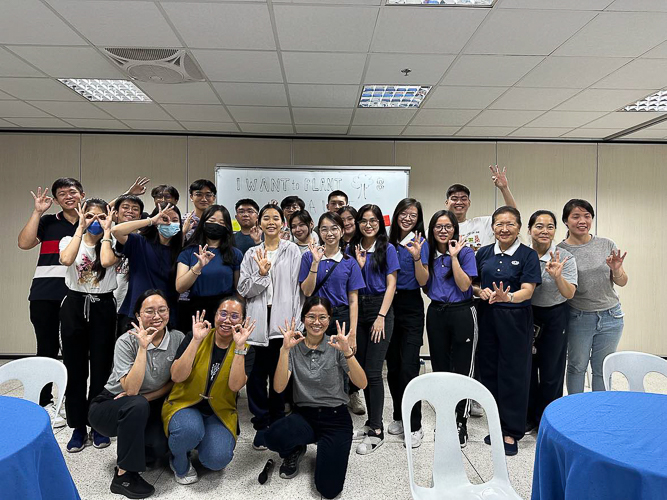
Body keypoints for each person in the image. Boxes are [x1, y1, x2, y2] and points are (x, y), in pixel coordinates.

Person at [265, 297, 367, 499]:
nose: (316, 322)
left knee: (329, 490)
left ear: (329, 320)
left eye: (322, 317)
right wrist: (284, 350)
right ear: (303, 318)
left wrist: (347, 352)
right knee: (270, 437)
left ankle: (327, 450)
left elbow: (362, 383)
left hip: (335, 418)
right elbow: (278, 387)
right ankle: (297, 448)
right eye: (311, 316)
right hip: (305, 416)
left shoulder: (336, 345)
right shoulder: (294, 346)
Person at [89, 290, 185, 499]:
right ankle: (123, 475)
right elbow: (131, 391)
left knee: (157, 449)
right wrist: (143, 348)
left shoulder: (178, 339)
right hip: (111, 404)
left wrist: (147, 398)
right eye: (149, 311)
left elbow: (175, 381)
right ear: (138, 316)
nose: (157, 316)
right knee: (136, 404)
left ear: (169, 312)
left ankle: (140, 450)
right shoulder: (126, 342)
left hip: (147, 404)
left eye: (162, 310)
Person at [163, 298, 256, 485]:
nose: (227, 320)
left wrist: (239, 348)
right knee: (189, 430)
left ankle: (199, 440)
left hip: (219, 411)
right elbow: (177, 376)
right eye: (223, 314)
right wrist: (196, 341)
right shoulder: (195, 336)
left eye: (234, 316)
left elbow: (235, 386)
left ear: (243, 321)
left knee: (217, 459)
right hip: (184, 403)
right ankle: (179, 459)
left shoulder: (247, 349)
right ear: (215, 316)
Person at [473, 206, 541, 456]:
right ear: (492, 228)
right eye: (499, 224)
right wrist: (481, 291)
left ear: (519, 228)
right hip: (487, 315)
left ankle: (512, 430)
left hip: (515, 318)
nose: (504, 229)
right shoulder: (483, 253)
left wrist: (508, 296)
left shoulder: (527, 255)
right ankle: (495, 423)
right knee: (489, 369)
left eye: (510, 224)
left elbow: (528, 290)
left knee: (514, 372)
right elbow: (474, 282)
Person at [18, 178, 84, 426]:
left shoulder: (90, 223)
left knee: (74, 352)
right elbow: (24, 243)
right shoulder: (47, 222)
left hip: (76, 294)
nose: (68, 196)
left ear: (82, 194)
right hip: (44, 293)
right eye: (62, 193)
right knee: (46, 349)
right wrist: (37, 211)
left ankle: (70, 402)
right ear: (55, 200)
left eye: (73, 191)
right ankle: (43, 402)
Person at [237, 204, 302, 449]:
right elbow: (244, 289)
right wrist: (262, 275)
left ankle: (277, 419)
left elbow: (298, 291)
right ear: (260, 224)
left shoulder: (293, 250)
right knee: (255, 377)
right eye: (266, 218)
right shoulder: (251, 253)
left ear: (282, 223)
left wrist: (296, 323)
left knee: (280, 375)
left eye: (276, 218)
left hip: (283, 323)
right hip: (256, 324)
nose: (271, 221)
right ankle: (261, 423)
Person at [59, 200, 119, 452]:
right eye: (90, 216)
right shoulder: (69, 239)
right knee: (74, 368)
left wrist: (106, 232)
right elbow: (66, 259)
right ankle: (77, 427)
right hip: (74, 305)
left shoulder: (114, 241)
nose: (95, 220)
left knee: (101, 368)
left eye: (101, 216)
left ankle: (98, 425)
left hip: (103, 307)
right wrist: (79, 229)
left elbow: (106, 262)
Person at [557, 199, 628, 394]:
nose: (582, 221)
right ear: (566, 221)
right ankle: (577, 412)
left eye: (587, 216)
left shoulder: (606, 244)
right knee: (576, 366)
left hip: (611, 316)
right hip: (579, 317)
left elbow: (622, 282)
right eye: (576, 216)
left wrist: (617, 269)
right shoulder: (560, 251)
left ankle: (599, 412)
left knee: (602, 368)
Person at [347, 204, 400, 454]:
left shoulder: (387, 248)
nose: (368, 225)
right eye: (364, 220)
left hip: (380, 310)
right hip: (359, 308)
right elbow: (352, 284)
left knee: (374, 371)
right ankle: (369, 423)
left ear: (380, 223)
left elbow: (391, 285)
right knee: (361, 370)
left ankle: (377, 429)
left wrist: (381, 316)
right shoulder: (352, 248)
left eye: (373, 220)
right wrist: (357, 264)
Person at [425, 210, 478, 448]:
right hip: (437, 312)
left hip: (462, 312)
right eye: (438, 226)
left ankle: (461, 420)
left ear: (455, 229)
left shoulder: (465, 252)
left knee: (463, 368)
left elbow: (465, 284)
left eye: (448, 226)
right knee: (440, 367)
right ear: (432, 229)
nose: (443, 230)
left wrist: (454, 257)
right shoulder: (427, 253)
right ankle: (445, 415)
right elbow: (425, 286)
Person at [526, 210, 577, 431]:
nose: (544, 231)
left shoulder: (565, 257)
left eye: (550, 226)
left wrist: (558, 277)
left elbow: (569, 294)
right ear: (529, 230)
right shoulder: (523, 255)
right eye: (539, 226)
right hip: (526, 315)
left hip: (555, 315)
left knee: (551, 371)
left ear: (556, 230)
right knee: (527, 368)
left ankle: (547, 420)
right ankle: (527, 417)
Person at [386, 198, 429, 447]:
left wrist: (415, 257)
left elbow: (423, 282)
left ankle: (415, 425)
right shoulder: (388, 241)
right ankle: (399, 417)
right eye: (403, 213)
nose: (407, 218)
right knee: (392, 366)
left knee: (409, 366)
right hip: (389, 303)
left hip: (412, 305)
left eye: (412, 214)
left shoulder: (421, 242)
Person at [111, 203, 183, 334]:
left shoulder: (182, 251)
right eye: (165, 219)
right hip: (135, 314)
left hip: (166, 316)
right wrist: (151, 220)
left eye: (175, 220)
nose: (169, 223)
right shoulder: (139, 242)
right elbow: (116, 231)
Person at [175, 205, 243, 331]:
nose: (216, 225)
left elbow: (238, 290)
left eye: (221, 222)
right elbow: (180, 287)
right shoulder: (189, 252)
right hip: (195, 311)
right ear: (203, 223)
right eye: (211, 221)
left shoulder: (235, 254)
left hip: (225, 311)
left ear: (227, 227)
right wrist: (198, 266)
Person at [445, 166, 517, 252]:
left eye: (463, 199)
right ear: (446, 203)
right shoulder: (439, 229)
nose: (459, 202)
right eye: (454, 199)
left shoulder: (482, 224)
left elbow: (512, 215)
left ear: (469, 203)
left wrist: (504, 188)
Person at [112, 194, 145, 337]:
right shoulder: (104, 236)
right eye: (125, 207)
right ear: (115, 213)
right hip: (107, 301)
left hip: (129, 306)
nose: (130, 211)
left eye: (135, 209)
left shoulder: (144, 240)